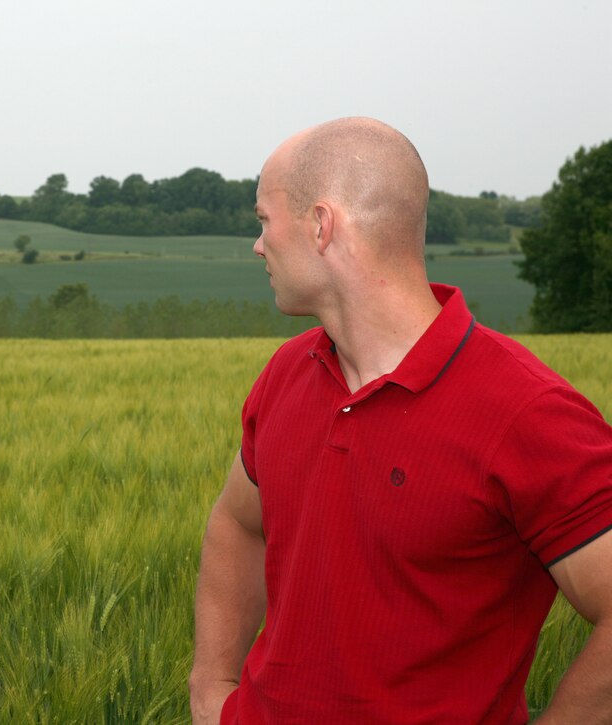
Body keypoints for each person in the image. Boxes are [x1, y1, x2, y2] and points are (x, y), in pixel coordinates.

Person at [189, 117, 612, 724]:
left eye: (263, 220)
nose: (258, 244)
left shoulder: (525, 411)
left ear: (320, 225)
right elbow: (237, 520)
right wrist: (212, 688)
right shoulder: (288, 373)